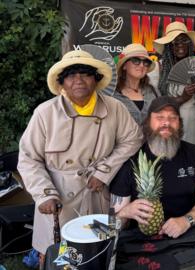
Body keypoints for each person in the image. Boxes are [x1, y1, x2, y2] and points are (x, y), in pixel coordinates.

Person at [17, 50, 143, 258]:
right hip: (58, 198)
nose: (78, 80)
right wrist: (44, 193)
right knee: (58, 257)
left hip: (96, 192)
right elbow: (29, 158)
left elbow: (134, 138)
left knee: (97, 250)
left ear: (96, 79)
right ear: (62, 82)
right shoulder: (45, 112)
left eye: (85, 74)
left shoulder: (115, 108)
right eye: (70, 75)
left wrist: (104, 171)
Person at [110, 96, 195, 238]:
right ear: (148, 122)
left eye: (173, 118)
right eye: (159, 117)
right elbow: (111, 225)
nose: (166, 123)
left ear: (179, 123)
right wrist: (125, 213)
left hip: (189, 231)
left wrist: (187, 220)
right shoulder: (130, 161)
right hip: (142, 239)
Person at [154, 21, 195, 145]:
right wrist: (182, 98)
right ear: (168, 45)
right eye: (175, 42)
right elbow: (155, 105)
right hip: (168, 125)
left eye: (184, 41)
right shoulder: (158, 68)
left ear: (189, 45)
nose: (180, 45)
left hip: (192, 126)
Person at [104, 43, 157, 124]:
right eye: (136, 61)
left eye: (146, 62)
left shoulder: (154, 91)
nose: (142, 65)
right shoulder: (111, 94)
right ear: (124, 66)